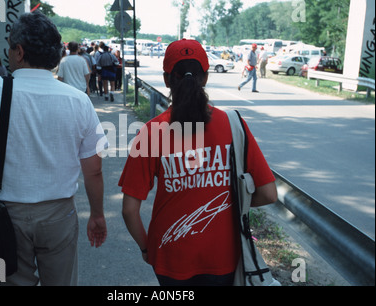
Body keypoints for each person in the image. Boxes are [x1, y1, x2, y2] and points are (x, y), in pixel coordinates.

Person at [0, 11, 108, 286]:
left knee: (6, 279)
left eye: (9, 47)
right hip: (60, 215)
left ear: (19, 51)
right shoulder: (78, 101)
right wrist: (98, 214)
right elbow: (93, 169)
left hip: (2, 217)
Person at [119, 39, 277, 286]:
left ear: (166, 79)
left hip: (170, 255)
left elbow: (129, 210)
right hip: (223, 253)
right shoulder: (233, 124)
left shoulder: (152, 132)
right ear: (205, 77)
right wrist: (230, 204)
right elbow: (268, 194)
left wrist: (146, 248)